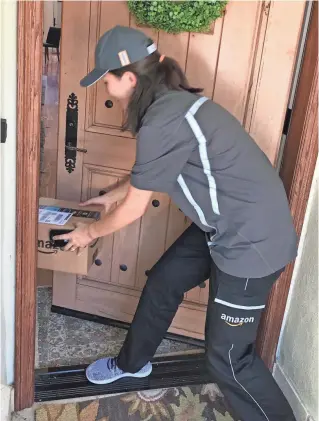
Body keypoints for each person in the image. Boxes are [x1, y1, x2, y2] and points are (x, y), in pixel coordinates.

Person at [54, 26, 298, 421]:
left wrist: (89, 232)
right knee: (164, 280)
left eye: (106, 79)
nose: (104, 88)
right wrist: (111, 195)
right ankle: (134, 363)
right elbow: (153, 172)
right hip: (220, 227)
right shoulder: (170, 106)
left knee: (230, 360)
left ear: (129, 79)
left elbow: (135, 208)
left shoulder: (162, 119)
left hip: (252, 242)